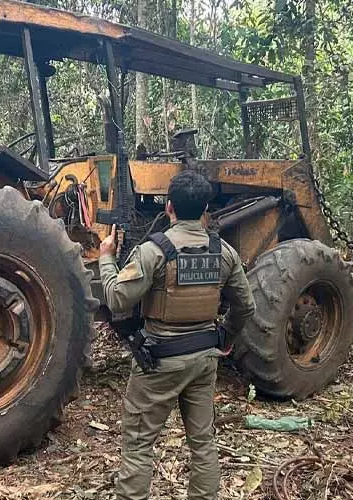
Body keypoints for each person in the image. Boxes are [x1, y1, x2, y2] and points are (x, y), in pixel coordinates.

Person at [99, 170, 256, 500]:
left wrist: (105, 258)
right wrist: (224, 337)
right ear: (205, 211)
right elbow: (246, 306)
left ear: (168, 207)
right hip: (204, 360)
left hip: (159, 362)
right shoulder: (223, 252)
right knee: (203, 443)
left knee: (139, 446)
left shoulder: (153, 252)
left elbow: (116, 299)